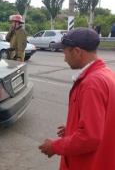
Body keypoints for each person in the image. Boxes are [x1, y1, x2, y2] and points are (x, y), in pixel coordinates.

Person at [38, 27, 115, 170]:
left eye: (65, 52)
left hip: (89, 164)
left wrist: (55, 146)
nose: (64, 59)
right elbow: (105, 119)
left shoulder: (91, 84)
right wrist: (73, 127)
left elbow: (90, 137)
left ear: (77, 52)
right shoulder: (106, 74)